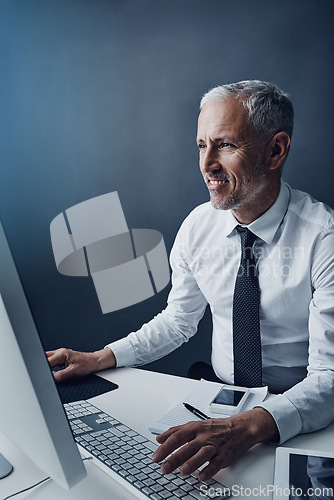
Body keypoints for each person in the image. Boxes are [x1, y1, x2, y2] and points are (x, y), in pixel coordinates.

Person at [47, 80, 334, 482]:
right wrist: (100, 357)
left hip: (302, 415)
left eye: (226, 145)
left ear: (276, 150)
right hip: (218, 400)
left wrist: (250, 426)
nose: (206, 164)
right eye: (202, 145)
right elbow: (178, 321)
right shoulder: (199, 227)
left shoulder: (324, 238)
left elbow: (330, 377)